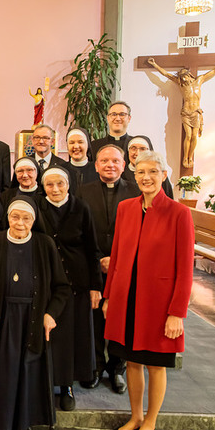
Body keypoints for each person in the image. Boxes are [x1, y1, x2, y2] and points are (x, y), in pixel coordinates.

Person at [103, 150, 194, 430]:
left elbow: (185, 268)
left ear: (164, 175)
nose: (146, 178)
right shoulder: (126, 208)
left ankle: (151, 422)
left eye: (153, 172)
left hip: (158, 303)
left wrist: (177, 312)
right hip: (127, 298)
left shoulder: (179, 214)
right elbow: (117, 255)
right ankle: (136, 417)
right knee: (131, 361)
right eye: (141, 172)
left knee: (155, 364)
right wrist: (109, 296)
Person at [0, 197, 70, 430]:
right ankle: (0, 423)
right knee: (4, 371)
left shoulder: (45, 245)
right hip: (3, 317)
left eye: (26, 218)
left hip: (33, 318)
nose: (20, 223)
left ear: (34, 221)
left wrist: (51, 314)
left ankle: (24, 424)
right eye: (15, 217)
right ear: (7, 218)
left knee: (28, 370)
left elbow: (61, 287)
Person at [36, 167, 102, 411]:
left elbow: (92, 248)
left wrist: (95, 286)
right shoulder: (37, 206)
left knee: (72, 336)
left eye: (60, 184)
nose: (55, 189)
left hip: (77, 281)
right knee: (49, 335)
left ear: (68, 185)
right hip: (46, 282)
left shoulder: (81, 207)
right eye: (50, 185)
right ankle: (45, 382)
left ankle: (67, 386)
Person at [76, 144, 140, 394]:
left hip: (124, 267)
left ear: (123, 165)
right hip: (92, 265)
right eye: (104, 161)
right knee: (93, 319)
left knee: (119, 319)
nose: (110, 165)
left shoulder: (135, 191)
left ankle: (117, 369)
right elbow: (79, 230)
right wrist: (99, 259)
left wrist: (116, 259)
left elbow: (139, 232)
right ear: (96, 165)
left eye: (115, 161)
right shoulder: (83, 191)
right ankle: (94, 367)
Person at [148, 54, 215, 168]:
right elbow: (166, 74)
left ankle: (190, 157)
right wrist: (154, 64)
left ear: (189, 75)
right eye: (181, 77)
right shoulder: (181, 85)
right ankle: (185, 157)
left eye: (184, 76)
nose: (183, 79)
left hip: (196, 112)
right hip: (186, 112)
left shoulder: (199, 80)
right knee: (188, 136)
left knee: (194, 136)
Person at [0, 157, 43, 230]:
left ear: (37, 172)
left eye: (29, 170)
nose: (25, 175)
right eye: (20, 171)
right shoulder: (6, 196)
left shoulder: (44, 195)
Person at [62, 127, 98, 196]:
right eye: (71, 143)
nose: (76, 146)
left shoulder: (97, 170)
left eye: (80, 142)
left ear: (87, 145)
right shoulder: (61, 171)